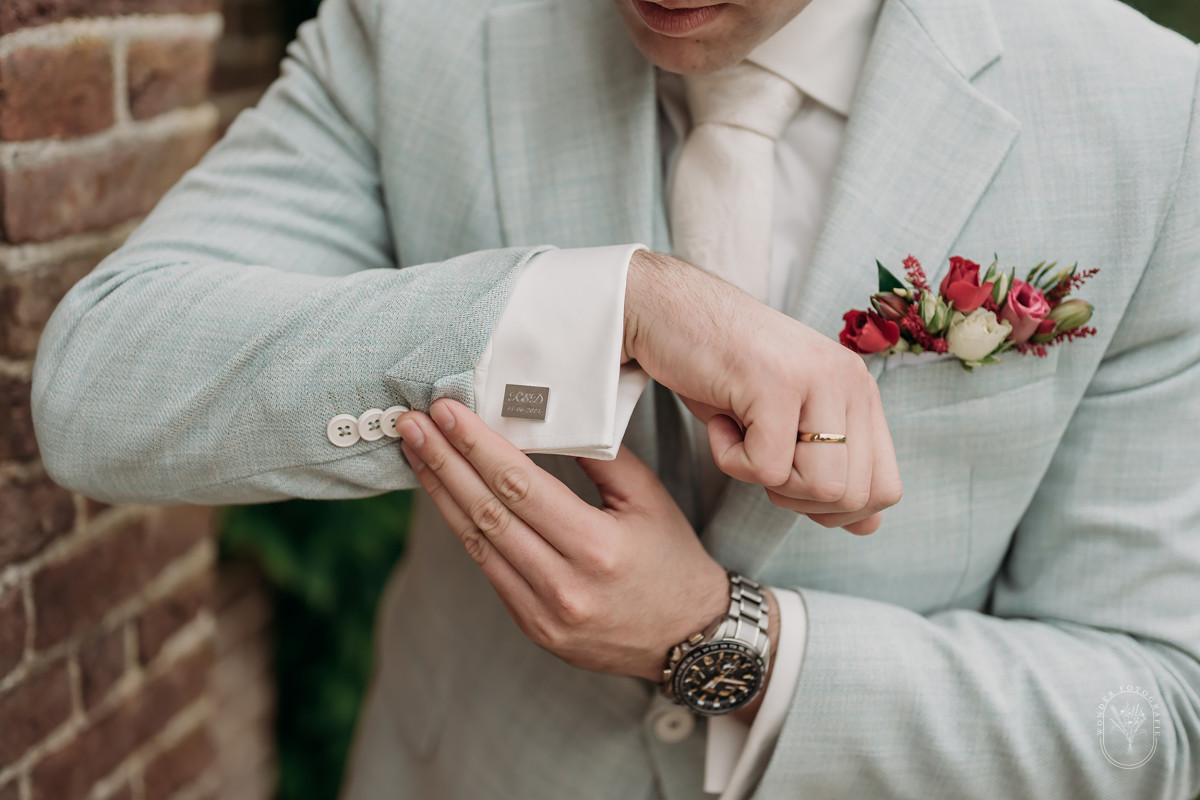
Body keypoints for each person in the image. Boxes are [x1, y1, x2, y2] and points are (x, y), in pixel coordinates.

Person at [30, 0, 1200, 796]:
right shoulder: (424, 27)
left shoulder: (1149, 116)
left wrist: (727, 643)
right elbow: (102, 383)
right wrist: (603, 308)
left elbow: (1159, 710)